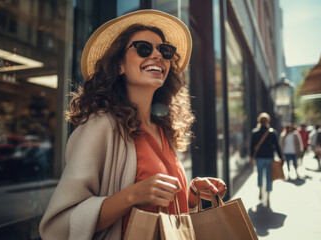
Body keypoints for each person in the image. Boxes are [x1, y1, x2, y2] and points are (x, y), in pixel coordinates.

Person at [38, 10, 227, 240]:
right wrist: (131, 196)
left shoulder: (161, 128)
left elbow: (157, 203)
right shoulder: (101, 126)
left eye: (164, 50)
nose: (157, 55)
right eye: (144, 49)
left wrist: (192, 193)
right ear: (119, 65)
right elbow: (58, 225)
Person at [250, 112, 284, 205]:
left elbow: (252, 146)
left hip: (259, 157)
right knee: (269, 177)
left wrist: (251, 157)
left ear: (259, 121)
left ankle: (260, 191)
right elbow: (277, 146)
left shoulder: (255, 132)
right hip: (269, 157)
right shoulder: (272, 132)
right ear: (268, 121)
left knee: (260, 175)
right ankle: (268, 196)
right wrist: (281, 157)